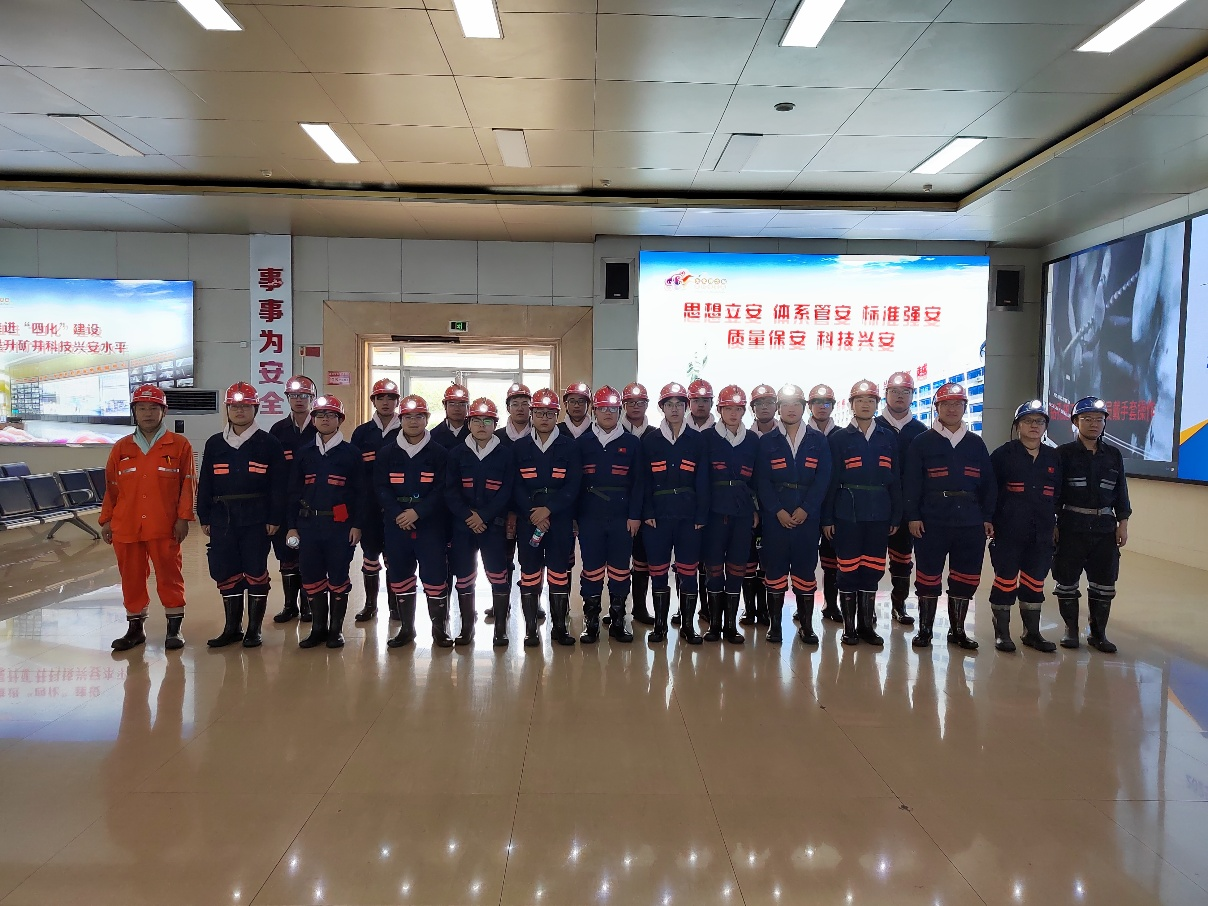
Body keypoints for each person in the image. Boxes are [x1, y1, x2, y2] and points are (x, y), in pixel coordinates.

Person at [101, 385, 196, 651]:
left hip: (164, 524)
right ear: (134, 412)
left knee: (169, 574)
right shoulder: (122, 447)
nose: (147, 413)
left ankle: (174, 629)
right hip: (126, 524)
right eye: (141, 408)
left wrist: (183, 518)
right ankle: (135, 629)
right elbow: (111, 487)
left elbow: (188, 484)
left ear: (164, 411)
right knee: (131, 576)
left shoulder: (179, 445)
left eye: (154, 408)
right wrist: (106, 520)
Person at [903, 383, 996, 650]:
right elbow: (912, 482)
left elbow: (989, 484)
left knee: (966, 577)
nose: (952, 409)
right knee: (928, 576)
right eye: (946, 404)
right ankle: (925, 630)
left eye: (957, 404)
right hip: (931, 520)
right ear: (937, 408)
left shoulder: (976, 443)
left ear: (965, 408)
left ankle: (958, 631)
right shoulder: (922, 442)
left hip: (970, 521)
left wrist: (987, 516)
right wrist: (913, 515)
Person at [196, 383, 288, 649]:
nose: (239, 411)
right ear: (227, 409)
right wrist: (204, 516)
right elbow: (206, 482)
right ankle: (232, 628)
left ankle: (254, 630)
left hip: (256, 518)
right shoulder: (215, 443)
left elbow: (278, 485)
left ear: (255, 409)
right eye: (234, 406)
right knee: (226, 571)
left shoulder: (269, 443)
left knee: (255, 570)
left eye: (245, 406)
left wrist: (275, 518)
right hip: (222, 518)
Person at [822, 380, 902, 647]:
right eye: (860, 400)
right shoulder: (838, 439)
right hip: (847, 513)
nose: (865, 405)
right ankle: (849, 628)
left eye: (870, 400)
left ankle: (867, 626)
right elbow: (830, 481)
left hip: (880, 513)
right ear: (851, 405)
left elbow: (896, 479)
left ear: (877, 404)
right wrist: (827, 518)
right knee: (847, 570)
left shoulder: (888, 437)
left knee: (873, 569)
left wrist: (896, 515)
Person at [1053, 396, 1131, 653]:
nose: (1094, 424)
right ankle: (1070, 630)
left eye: (1099, 419)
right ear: (1076, 422)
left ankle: (1098, 634)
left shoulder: (1113, 455)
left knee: (1104, 583)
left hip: (1104, 528)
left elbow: (1121, 492)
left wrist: (1123, 523)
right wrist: (1053, 523)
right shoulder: (1062, 454)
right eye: (1087, 419)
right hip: (1071, 527)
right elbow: (1054, 493)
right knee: (1066, 581)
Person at [756, 384, 832, 644]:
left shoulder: (818, 440)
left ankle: (806, 626)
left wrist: (806, 508)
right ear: (779, 409)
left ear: (804, 408)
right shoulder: (767, 441)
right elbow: (762, 481)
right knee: (775, 570)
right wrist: (777, 510)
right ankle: (775, 626)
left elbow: (823, 478)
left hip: (807, 518)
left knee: (805, 570)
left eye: (796, 405)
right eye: (786, 405)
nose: (791, 409)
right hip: (775, 518)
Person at [285, 395, 363, 649]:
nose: (325, 419)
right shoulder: (304, 453)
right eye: (320, 415)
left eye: (331, 415)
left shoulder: (351, 453)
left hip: (340, 527)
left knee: (338, 576)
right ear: (313, 420)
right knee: (311, 576)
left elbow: (361, 493)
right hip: (308, 526)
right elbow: (293, 492)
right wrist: (292, 525)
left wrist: (357, 524)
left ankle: (335, 631)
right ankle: (318, 628)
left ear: (340, 420)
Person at [376, 394, 451, 649]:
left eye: (419, 416)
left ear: (427, 419)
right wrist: (398, 513)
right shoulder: (387, 453)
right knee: (400, 574)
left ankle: (439, 630)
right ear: (400, 419)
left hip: (430, 525)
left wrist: (418, 513)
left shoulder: (439, 453)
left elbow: (442, 489)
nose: (414, 421)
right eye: (408, 417)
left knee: (435, 576)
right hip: (396, 524)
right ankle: (407, 629)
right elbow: (381, 487)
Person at [988, 400, 1061, 653]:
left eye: (1039, 421)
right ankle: (1002, 634)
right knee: (1005, 581)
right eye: (1028, 421)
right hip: (1008, 530)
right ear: (1017, 425)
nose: (1034, 426)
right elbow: (990, 491)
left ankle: (1032, 633)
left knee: (1035, 582)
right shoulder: (1002, 455)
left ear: (1045, 427)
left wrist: (1056, 523)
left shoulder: (1054, 457)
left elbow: (1058, 494)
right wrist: (989, 520)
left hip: (1041, 533)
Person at [642, 382, 709, 644]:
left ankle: (688, 625)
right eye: (669, 404)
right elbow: (644, 481)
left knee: (688, 571)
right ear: (661, 408)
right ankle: (659, 626)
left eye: (679, 405)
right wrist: (647, 510)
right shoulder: (650, 441)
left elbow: (703, 480)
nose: (674, 409)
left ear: (686, 407)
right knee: (658, 571)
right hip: (657, 517)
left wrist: (701, 515)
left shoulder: (698, 440)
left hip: (688, 517)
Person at [444, 397, 515, 647]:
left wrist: (483, 516)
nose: (482, 425)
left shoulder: (505, 454)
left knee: (498, 574)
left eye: (487, 421)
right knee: (464, 576)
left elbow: (507, 491)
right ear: (469, 424)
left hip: (493, 525)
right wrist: (468, 516)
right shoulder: (456, 454)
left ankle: (500, 629)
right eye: (476, 421)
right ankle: (467, 628)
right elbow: (450, 491)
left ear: (495, 424)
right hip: (462, 526)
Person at [513, 389, 581, 646]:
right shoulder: (519, 447)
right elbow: (515, 485)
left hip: (559, 519)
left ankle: (559, 627)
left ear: (556, 416)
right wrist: (533, 513)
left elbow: (573, 485)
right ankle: (531, 629)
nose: (544, 418)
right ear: (532, 414)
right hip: (529, 519)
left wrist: (549, 509)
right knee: (530, 572)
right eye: (539, 413)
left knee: (558, 571)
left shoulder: (570, 446)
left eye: (549, 414)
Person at [575, 385, 643, 643]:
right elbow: (574, 484)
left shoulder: (632, 443)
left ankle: (618, 620)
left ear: (619, 411)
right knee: (591, 569)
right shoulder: (582, 443)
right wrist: (575, 517)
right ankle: (591, 623)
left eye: (613, 409)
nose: (607, 413)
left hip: (622, 516)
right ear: (594, 410)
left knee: (620, 570)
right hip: (589, 515)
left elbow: (638, 483)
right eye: (602, 408)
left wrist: (634, 515)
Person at [702, 385, 760, 644]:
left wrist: (755, 508)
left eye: (738, 408)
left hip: (742, 512)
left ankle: (730, 625)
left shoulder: (753, 440)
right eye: (728, 408)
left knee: (737, 567)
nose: (733, 413)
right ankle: (714, 624)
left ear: (744, 411)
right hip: (714, 512)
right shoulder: (707, 438)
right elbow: (701, 479)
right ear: (719, 410)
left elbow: (757, 479)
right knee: (714, 567)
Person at [876, 371, 927, 627]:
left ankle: (899, 605)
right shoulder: (872, 426)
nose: (899, 396)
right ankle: (867, 608)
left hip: (907, 506)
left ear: (912, 396)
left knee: (902, 559)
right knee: (870, 559)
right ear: (885, 395)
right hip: (875, 503)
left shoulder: (920, 432)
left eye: (905, 392)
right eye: (894, 391)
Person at [349, 378, 401, 624]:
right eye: (381, 398)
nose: (386, 402)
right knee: (370, 556)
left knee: (394, 558)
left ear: (397, 401)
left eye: (391, 398)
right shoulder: (362, 433)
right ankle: (370, 605)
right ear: (373, 401)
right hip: (368, 506)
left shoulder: (406, 430)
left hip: (397, 507)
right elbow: (354, 474)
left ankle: (395, 606)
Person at [268, 375, 317, 624]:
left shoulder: (320, 427)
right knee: (286, 555)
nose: (299, 400)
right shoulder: (278, 431)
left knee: (308, 554)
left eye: (304, 396)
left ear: (312, 399)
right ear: (287, 398)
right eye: (294, 395)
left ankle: (308, 605)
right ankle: (289, 606)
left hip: (313, 501)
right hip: (284, 500)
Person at [491, 382, 535, 623]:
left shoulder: (540, 434)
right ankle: (501, 602)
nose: (520, 408)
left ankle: (534, 603)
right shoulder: (497, 437)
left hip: (532, 510)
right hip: (503, 509)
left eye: (524, 404)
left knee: (531, 559)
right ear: (507, 408)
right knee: (502, 557)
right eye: (515, 404)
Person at [739, 383, 778, 627]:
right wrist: (752, 506)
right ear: (752, 408)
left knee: (769, 559)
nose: (764, 407)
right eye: (759, 403)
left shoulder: (784, 435)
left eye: (769, 403)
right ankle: (749, 609)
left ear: (776, 406)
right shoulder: (747, 437)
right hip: (750, 508)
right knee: (748, 558)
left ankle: (765, 610)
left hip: (777, 509)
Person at [806, 383, 842, 624]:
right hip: (804, 505)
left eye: (826, 403)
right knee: (806, 558)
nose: (822, 407)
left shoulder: (840, 435)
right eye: (817, 403)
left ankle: (831, 604)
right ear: (809, 406)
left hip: (834, 504)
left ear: (833, 406)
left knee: (832, 559)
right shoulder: (799, 432)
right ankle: (804, 605)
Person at [620, 382, 656, 627]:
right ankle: (617, 609)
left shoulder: (656, 434)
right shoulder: (614, 431)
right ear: (623, 405)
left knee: (643, 560)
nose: (635, 406)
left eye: (640, 402)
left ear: (647, 405)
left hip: (649, 506)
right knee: (618, 562)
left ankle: (640, 608)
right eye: (631, 402)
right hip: (621, 506)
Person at [430, 383, 470, 449]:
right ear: (445, 405)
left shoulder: (475, 434)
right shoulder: (433, 435)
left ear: (468, 407)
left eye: (462, 404)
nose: (457, 409)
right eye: (452, 404)